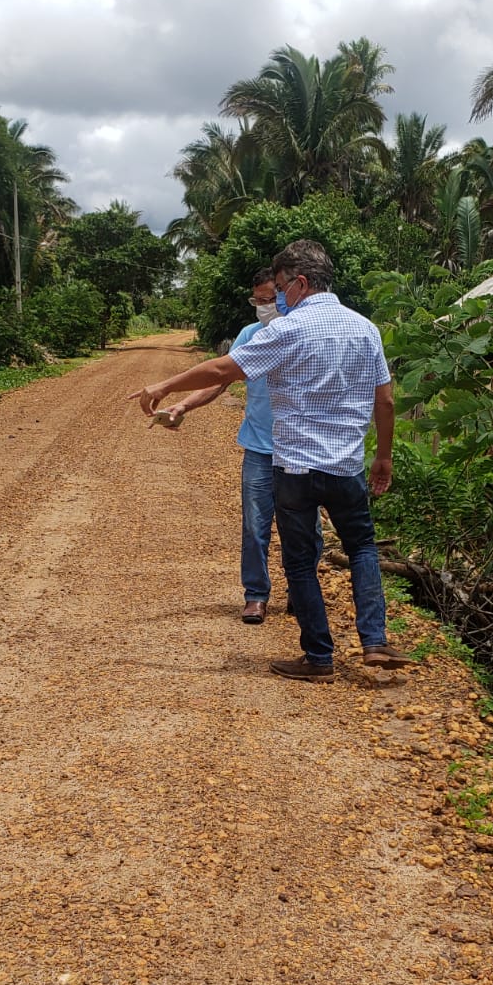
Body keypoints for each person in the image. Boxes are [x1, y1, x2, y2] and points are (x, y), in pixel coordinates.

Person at [130, 238, 410, 682]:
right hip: (346, 468)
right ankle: (374, 641)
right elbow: (387, 401)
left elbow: (224, 370)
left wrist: (165, 385)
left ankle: (319, 658)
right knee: (361, 549)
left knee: (299, 562)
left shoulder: (287, 330)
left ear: (300, 283)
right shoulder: (366, 329)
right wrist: (384, 457)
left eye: (280, 287)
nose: (278, 298)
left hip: (295, 468)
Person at [165, 268, 321, 624]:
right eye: (258, 301)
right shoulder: (250, 336)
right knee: (255, 525)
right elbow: (220, 378)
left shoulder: (305, 335)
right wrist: (183, 404)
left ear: (287, 295)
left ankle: (302, 593)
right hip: (259, 448)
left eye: (270, 299)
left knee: (305, 527)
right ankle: (256, 595)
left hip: (300, 449)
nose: (264, 307)